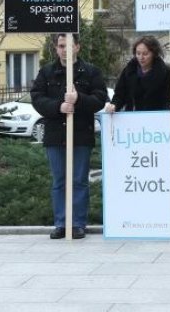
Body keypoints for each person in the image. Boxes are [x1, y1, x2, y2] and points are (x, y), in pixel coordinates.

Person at [31, 33, 108, 240]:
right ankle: (61, 223)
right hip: (56, 135)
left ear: (78, 47)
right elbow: (37, 98)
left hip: (81, 134)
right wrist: (59, 106)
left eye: (69, 45)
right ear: (56, 48)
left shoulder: (90, 72)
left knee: (79, 180)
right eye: (61, 45)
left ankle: (77, 224)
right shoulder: (47, 72)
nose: (65, 49)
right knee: (59, 180)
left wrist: (79, 99)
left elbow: (100, 99)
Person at [104, 36, 170, 114]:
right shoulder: (128, 71)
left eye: (145, 54)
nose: (141, 57)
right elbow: (119, 95)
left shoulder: (165, 72)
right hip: (132, 118)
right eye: (138, 53)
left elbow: (168, 99)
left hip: (157, 118)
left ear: (154, 53)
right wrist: (114, 105)